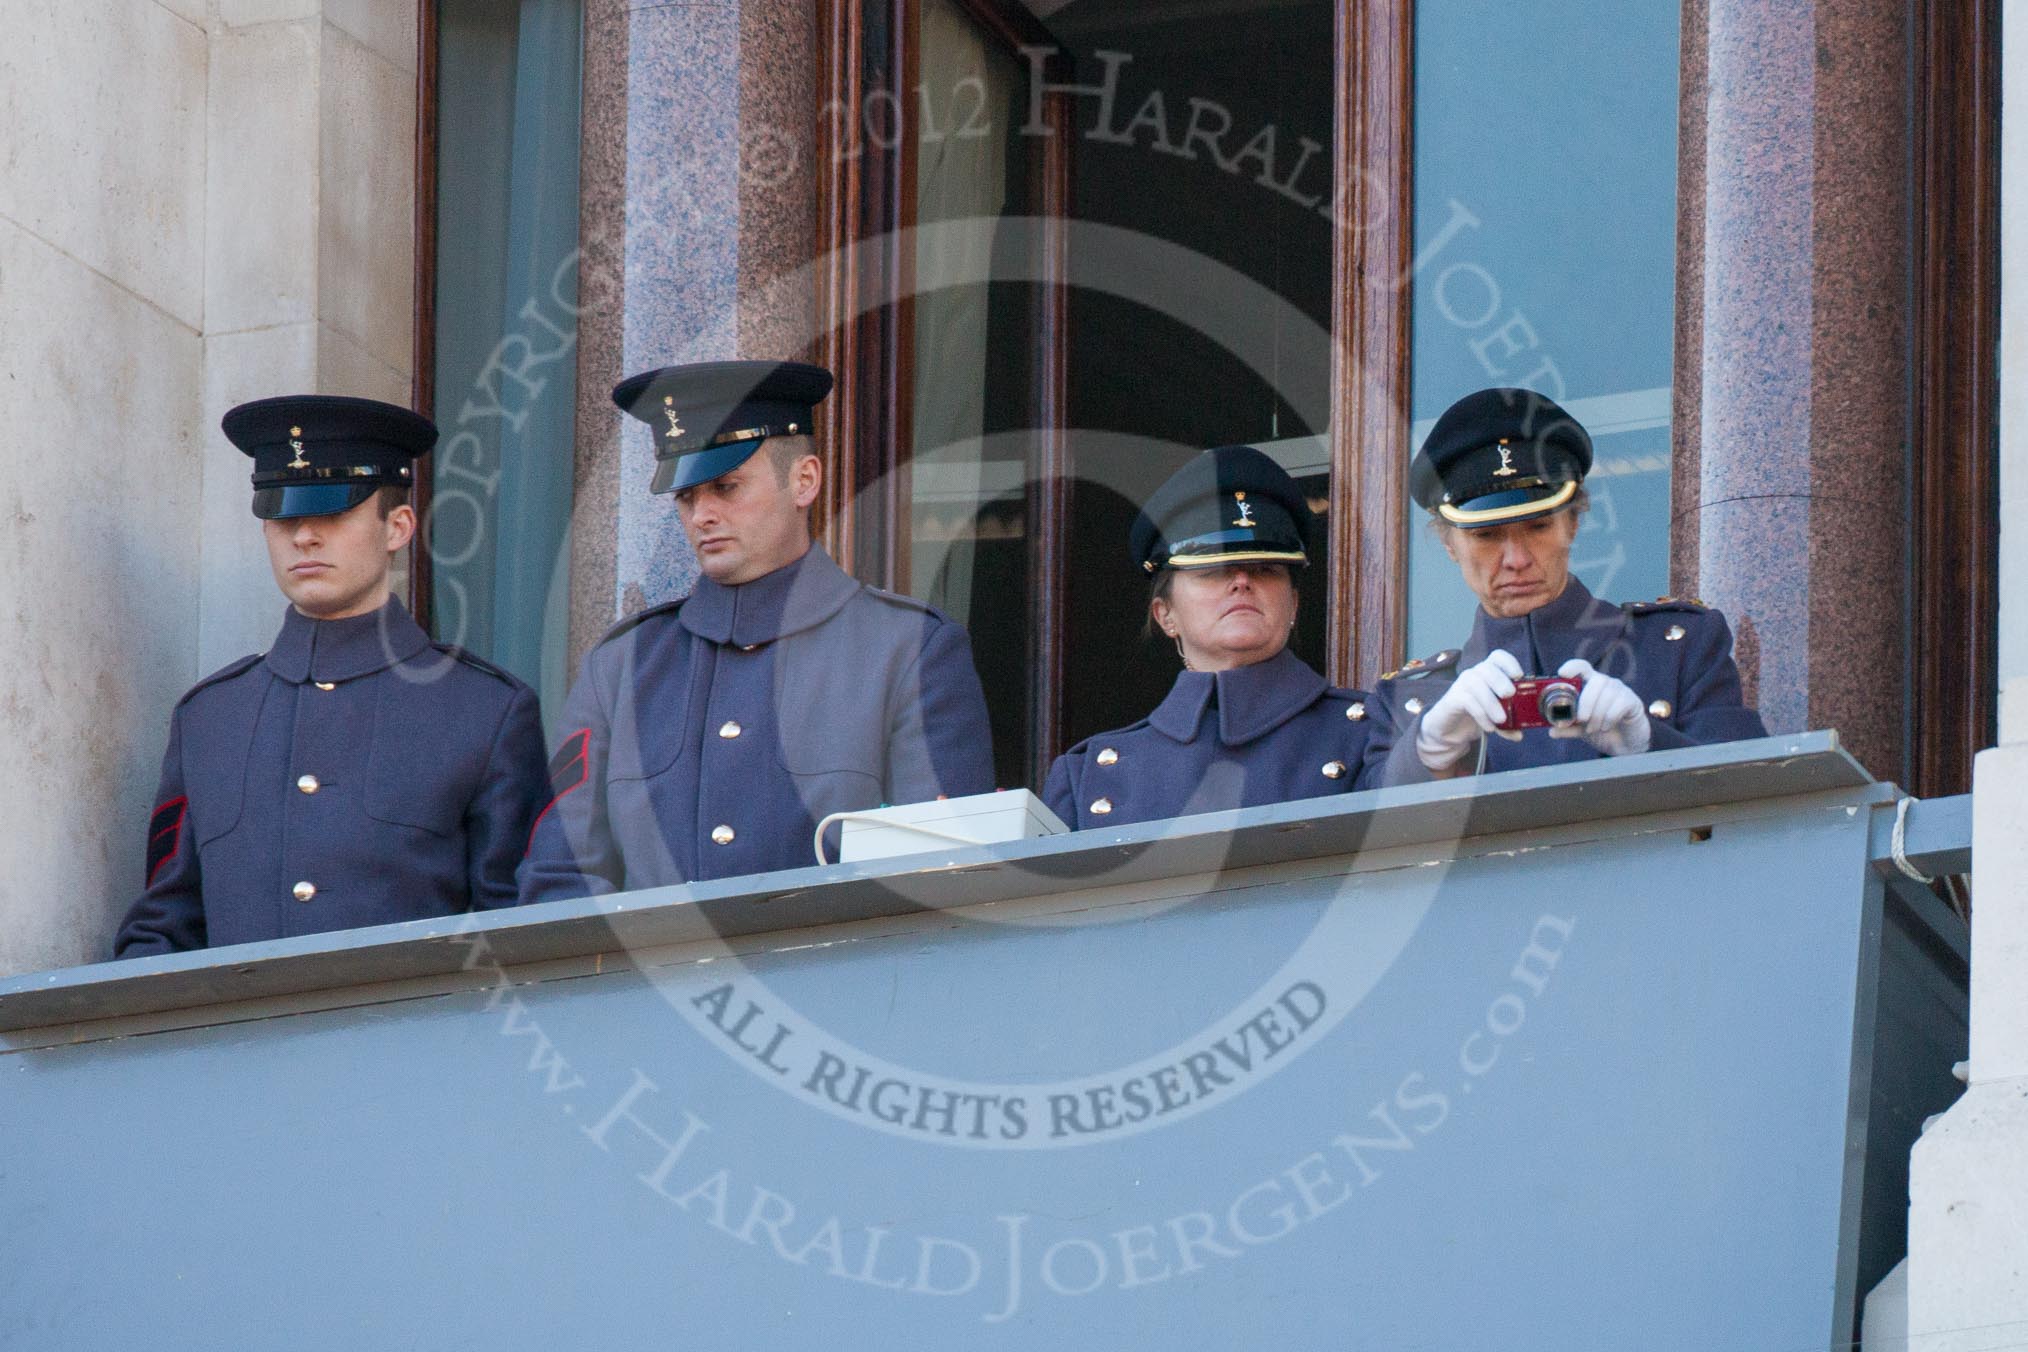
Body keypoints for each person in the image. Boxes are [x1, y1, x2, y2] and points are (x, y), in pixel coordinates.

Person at [519, 360, 994, 898]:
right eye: (687, 496)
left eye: (726, 486)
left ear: (804, 480)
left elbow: (943, 880)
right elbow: (560, 880)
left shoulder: (909, 650)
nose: (702, 514)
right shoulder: (621, 667)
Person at [114, 396, 549, 957]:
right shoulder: (210, 718)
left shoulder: (483, 710)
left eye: (333, 514)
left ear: (397, 527)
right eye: (283, 516)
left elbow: (519, 936)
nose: (304, 537)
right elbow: (164, 929)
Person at [1363, 387, 1767, 786]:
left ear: (1572, 523)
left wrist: (1650, 744)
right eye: (1486, 536)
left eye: (1539, 527)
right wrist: (1426, 754)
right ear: (1449, 544)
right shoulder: (1406, 702)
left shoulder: (1679, 649)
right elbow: (1354, 843)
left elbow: (1757, 806)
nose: (1517, 559)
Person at [1043, 445, 1374, 827]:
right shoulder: (1088, 776)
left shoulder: (1370, 732)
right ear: (1165, 615)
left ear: (1294, 605)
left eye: (1265, 568)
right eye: (1212, 571)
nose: (1242, 582)